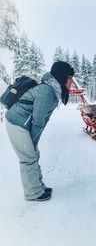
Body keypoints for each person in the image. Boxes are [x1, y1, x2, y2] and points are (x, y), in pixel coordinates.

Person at [5, 61, 74, 201]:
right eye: (70, 77)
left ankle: (38, 186)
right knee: (29, 157)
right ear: (62, 77)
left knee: (33, 154)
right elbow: (38, 121)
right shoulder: (47, 91)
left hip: (23, 123)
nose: (72, 81)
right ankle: (33, 192)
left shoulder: (53, 91)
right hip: (16, 122)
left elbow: (42, 120)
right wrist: (33, 141)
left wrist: (34, 143)